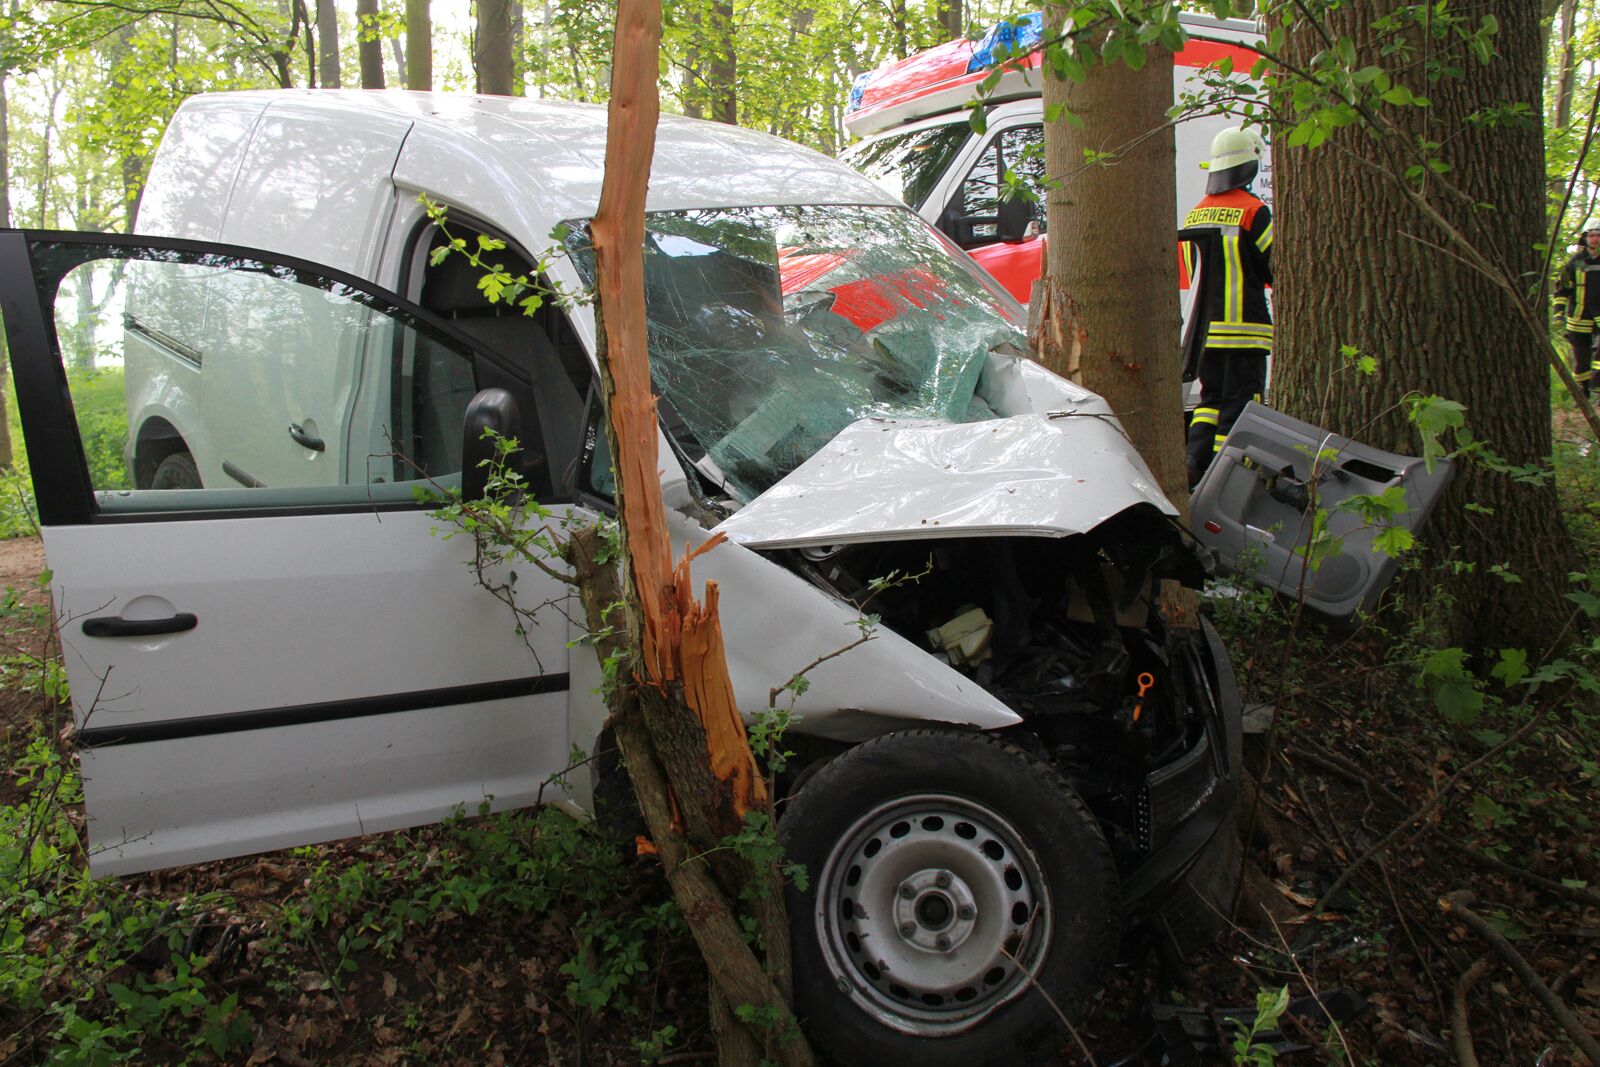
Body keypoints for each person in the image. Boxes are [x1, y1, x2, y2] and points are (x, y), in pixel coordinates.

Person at [1179, 126, 1273, 489]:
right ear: (1249, 166)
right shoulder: (1253, 211)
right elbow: (1275, 267)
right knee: (1240, 405)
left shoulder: (1196, 215)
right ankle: (1223, 476)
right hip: (1245, 332)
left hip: (1204, 335)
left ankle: (1193, 462)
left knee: (1209, 401)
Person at [1554, 217, 1600, 399]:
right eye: (1592, 235)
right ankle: (1583, 394)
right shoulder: (1574, 263)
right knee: (1581, 362)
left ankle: (1597, 389)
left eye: (1598, 235)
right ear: (1585, 238)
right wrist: (1558, 314)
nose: (1595, 238)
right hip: (1578, 318)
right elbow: (1562, 290)